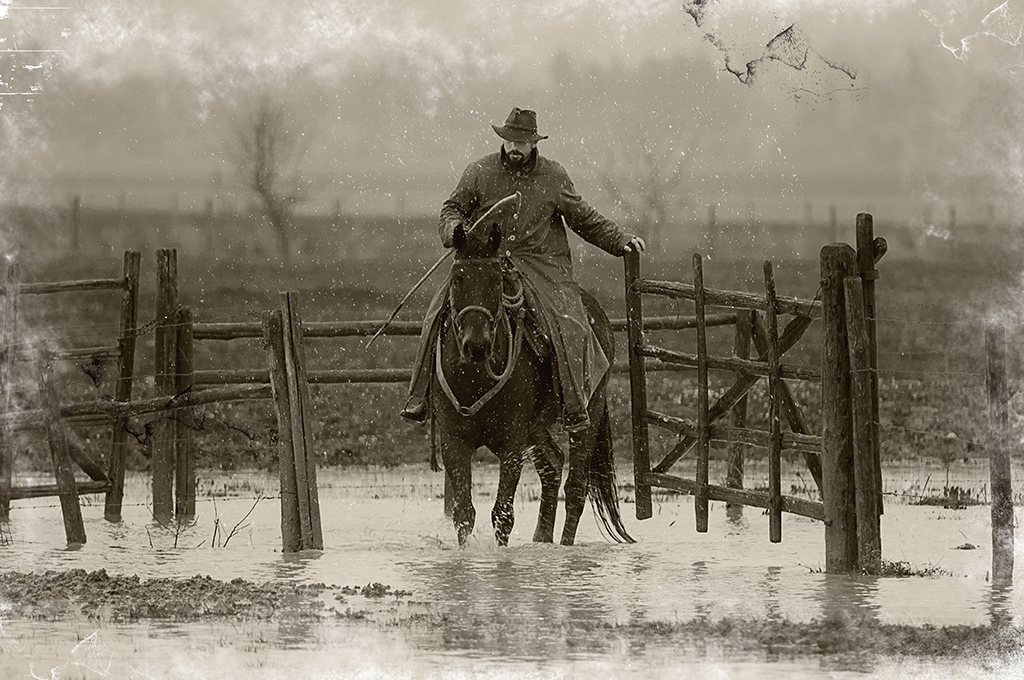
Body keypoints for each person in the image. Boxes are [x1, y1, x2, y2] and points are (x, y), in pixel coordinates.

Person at [400, 107, 646, 432]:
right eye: (510, 141)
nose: (515, 148)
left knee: (570, 323)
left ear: (534, 143)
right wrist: (455, 232)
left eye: (522, 142)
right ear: (503, 140)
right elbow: (452, 209)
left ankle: (573, 405)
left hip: (541, 265)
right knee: (436, 314)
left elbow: (582, 217)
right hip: (485, 261)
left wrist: (620, 239)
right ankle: (420, 397)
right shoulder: (479, 172)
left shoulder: (554, 176)